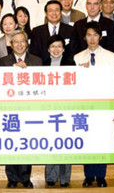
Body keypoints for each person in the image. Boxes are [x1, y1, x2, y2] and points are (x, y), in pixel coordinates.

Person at [74, 22, 114, 188]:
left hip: (105, 105)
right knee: (88, 140)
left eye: (95, 35)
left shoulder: (111, 56)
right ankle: (88, 175)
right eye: (88, 35)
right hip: (85, 106)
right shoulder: (78, 58)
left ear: (100, 36)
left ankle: (101, 175)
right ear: (84, 38)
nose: (92, 39)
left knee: (102, 140)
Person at [0, 30, 41, 188]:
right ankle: (12, 178)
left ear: (27, 43)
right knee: (10, 144)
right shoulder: (3, 62)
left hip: (29, 108)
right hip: (9, 109)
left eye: (22, 41)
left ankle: (25, 177)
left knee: (25, 143)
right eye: (15, 42)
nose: (19, 44)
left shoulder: (36, 61)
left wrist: (27, 69)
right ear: (10, 44)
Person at [42, 35, 74, 188]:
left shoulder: (71, 64)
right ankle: (50, 176)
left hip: (66, 110)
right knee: (50, 143)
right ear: (48, 49)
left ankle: (65, 177)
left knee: (65, 143)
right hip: (47, 110)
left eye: (59, 46)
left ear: (63, 48)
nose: (56, 49)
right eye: (53, 46)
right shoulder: (42, 64)